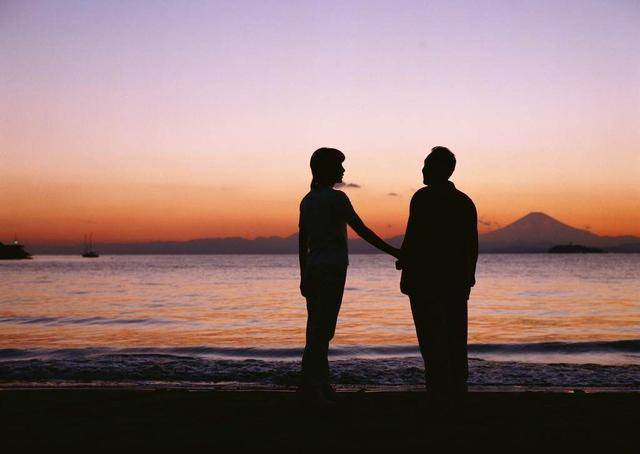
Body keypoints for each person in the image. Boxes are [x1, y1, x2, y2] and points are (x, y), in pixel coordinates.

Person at [299, 147, 400, 407]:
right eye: (338, 166)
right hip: (331, 270)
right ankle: (314, 388)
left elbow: (302, 242)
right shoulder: (337, 199)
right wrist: (395, 252)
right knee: (322, 331)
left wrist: (303, 275)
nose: (343, 170)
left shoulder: (307, 200)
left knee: (317, 329)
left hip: (314, 270)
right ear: (326, 169)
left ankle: (319, 384)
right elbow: (362, 230)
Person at [399, 146, 478, 403]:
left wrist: (405, 268)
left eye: (427, 165)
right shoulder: (464, 202)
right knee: (455, 334)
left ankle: (437, 390)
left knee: (430, 336)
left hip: (424, 280)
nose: (422, 169)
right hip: (456, 280)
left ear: (438, 170)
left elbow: (413, 237)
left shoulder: (422, 198)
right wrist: (469, 277)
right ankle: (457, 388)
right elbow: (472, 246)